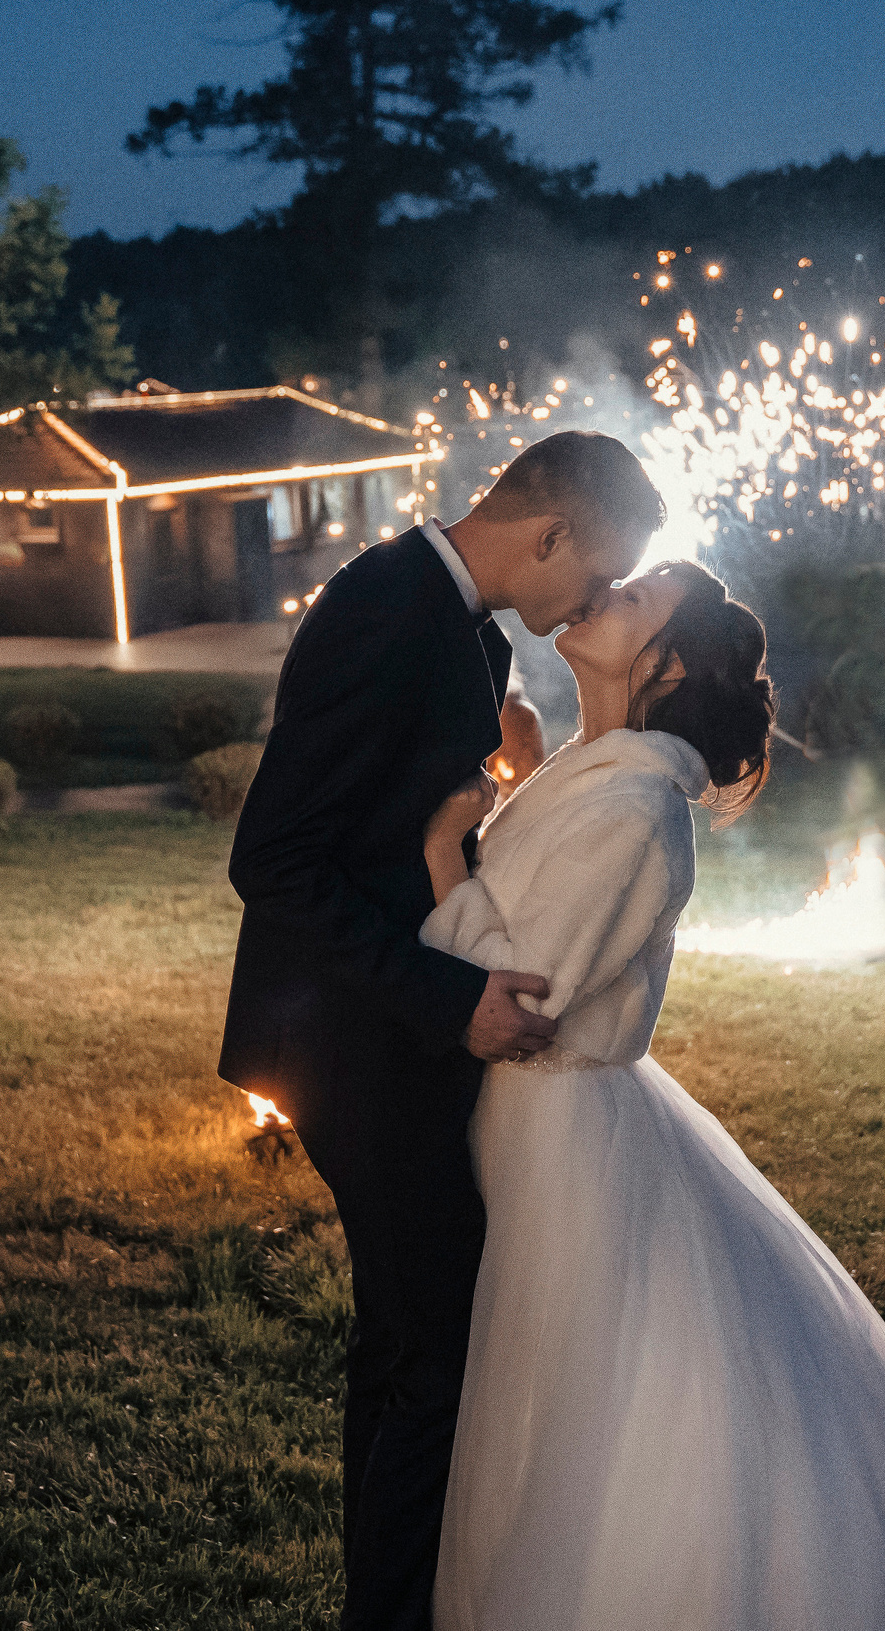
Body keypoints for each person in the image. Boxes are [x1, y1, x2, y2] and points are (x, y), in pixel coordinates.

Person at [418, 561, 885, 1631]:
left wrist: (446, 855)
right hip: (533, 1126)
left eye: (631, 598)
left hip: (562, 1135)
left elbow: (524, 996)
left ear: (664, 665)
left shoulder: (636, 809)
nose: (600, 592)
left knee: (579, 1417)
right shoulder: (593, 771)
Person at [218, 431, 665, 1631]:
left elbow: (395, 830)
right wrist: (444, 1001)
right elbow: (272, 861)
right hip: (349, 1044)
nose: (593, 600)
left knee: (412, 1341)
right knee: (429, 1358)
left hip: (382, 1037)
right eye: (596, 571)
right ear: (548, 534)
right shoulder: (384, 610)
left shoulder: (458, 622)